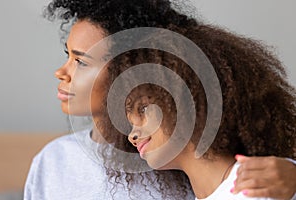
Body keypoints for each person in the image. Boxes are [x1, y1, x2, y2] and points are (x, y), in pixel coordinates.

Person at [24, 0, 296, 199]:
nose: (61, 72)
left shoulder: (174, 151)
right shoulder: (52, 163)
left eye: (81, 62)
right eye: (68, 55)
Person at [124, 21, 296, 199]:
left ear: (187, 98)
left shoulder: (254, 190)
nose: (131, 136)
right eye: (130, 123)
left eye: (143, 109)